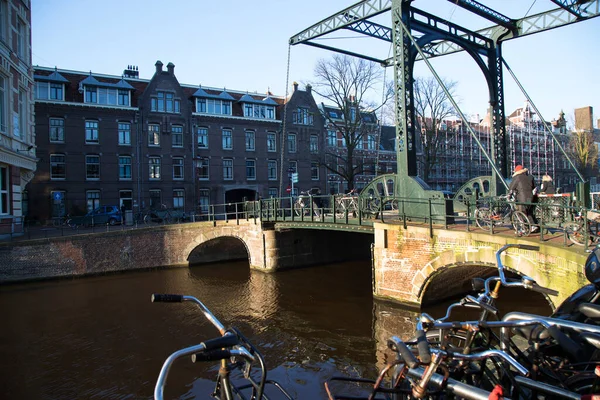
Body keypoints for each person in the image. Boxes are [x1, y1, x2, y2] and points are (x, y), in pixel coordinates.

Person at [508, 165, 538, 232]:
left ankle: (525, 228)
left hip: (521, 198)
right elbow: (534, 187)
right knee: (528, 212)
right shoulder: (530, 177)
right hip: (530, 197)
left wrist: (509, 195)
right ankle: (533, 225)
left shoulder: (517, 177)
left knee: (521, 213)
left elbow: (511, 188)